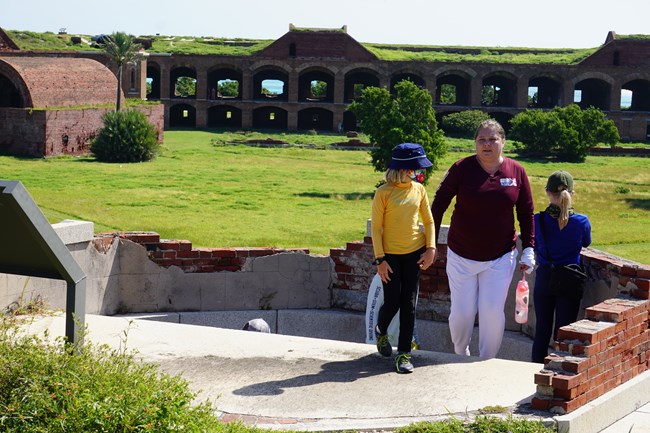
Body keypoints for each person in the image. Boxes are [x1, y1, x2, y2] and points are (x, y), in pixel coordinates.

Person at [431, 119, 535, 359]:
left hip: (500, 256)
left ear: (503, 142)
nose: (487, 144)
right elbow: (438, 204)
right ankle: (460, 354)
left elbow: (526, 211)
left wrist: (529, 247)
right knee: (462, 313)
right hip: (461, 254)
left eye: (492, 139)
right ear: (475, 143)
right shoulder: (461, 168)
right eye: (481, 140)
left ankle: (486, 361)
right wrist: (431, 242)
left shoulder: (516, 171)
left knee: (491, 311)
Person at [371, 143, 436, 374]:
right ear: (403, 168)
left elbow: (428, 222)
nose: (419, 172)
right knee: (392, 302)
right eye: (415, 168)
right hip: (389, 257)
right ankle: (381, 330)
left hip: (414, 254)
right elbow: (376, 229)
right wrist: (380, 260)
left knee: (408, 304)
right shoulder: (383, 193)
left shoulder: (419, 190)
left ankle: (404, 354)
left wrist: (430, 248)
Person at [531, 170, 591, 363]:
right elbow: (586, 243)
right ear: (572, 194)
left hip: (545, 278)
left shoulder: (537, 220)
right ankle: (558, 375)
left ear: (547, 192)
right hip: (569, 279)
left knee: (542, 331)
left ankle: (533, 375)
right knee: (564, 331)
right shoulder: (581, 221)